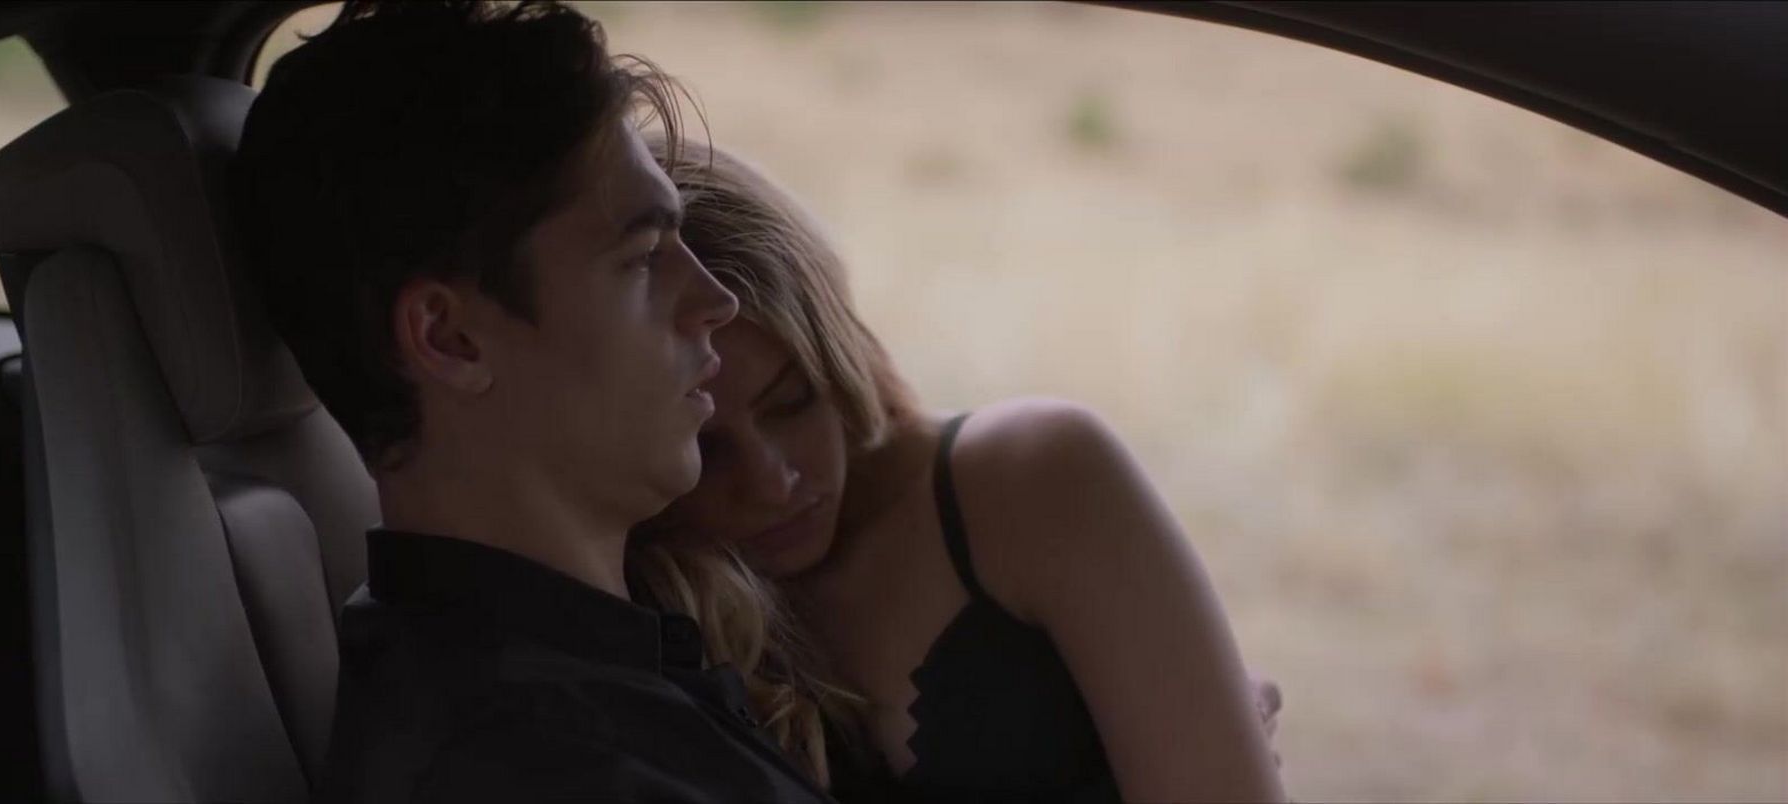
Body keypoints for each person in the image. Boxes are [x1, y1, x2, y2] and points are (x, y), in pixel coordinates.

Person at [233, 2, 831, 801]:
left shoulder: (582, 669)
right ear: (451, 339)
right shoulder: (547, 767)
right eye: (642, 258)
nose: (716, 301)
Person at [636, 138, 1290, 803]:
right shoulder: (638, 603)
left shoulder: (1031, 480)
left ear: (838, 356)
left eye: (793, 401)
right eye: (708, 447)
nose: (773, 480)